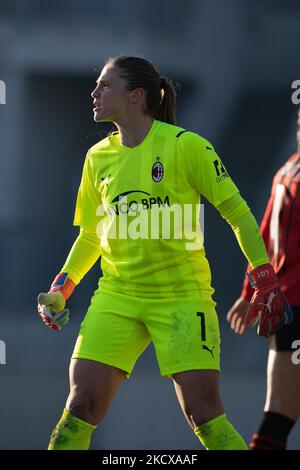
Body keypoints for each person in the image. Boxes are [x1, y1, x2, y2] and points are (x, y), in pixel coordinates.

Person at [37, 56, 291, 451]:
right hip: (117, 295)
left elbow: (237, 212)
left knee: (203, 414)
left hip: (181, 298)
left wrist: (263, 274)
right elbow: (91, 235)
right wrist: (62, 287)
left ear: (136, 96)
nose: (95, 93)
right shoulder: (97, 158)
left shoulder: (186, 147)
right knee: (80, 405)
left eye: (105, 85)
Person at [227, 107, 300, 450]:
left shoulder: (287, 169)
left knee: (277, 418)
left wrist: (249, 290)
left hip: (285, 308)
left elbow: (262, 241)